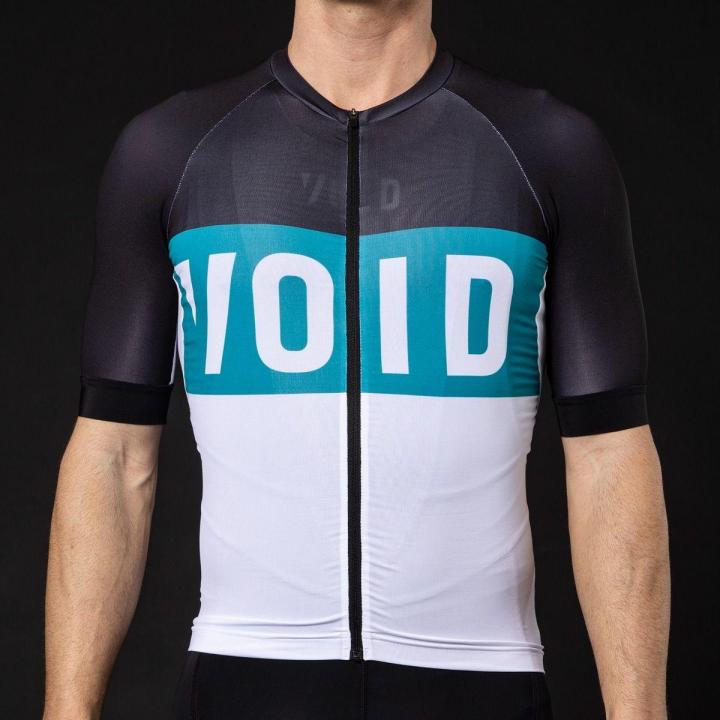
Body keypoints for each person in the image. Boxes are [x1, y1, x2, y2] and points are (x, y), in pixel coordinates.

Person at [43, 1, 670, 718]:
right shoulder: (170, 151)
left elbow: (608, 452)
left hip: (480, 678)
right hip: (245, 675)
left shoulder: (547, 149)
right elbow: (115, 452)